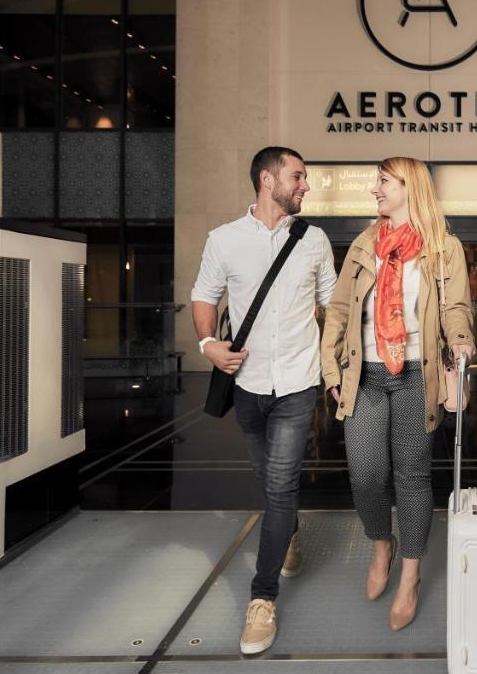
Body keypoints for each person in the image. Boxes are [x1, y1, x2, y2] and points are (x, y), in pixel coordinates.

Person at [190, 146, 337, 655]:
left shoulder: (314, 240)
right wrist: (208, 344)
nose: (305, 185)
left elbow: (332, 304)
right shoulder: (224, 239)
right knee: (268, 479)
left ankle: (262, 599)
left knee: (279, 484)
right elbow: (204, 296)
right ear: (268, 180)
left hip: (298, 381)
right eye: (298, 176)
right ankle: (288, 532)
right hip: (247, 384)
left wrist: (341, 360)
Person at [321, 157, 475, 631]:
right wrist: (330, 368)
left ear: (410, 187)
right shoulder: (364, 244)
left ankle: (410, 575)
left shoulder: (443, 248)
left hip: (416, 374)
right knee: (366, 474)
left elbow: (455, 307)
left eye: (383, 181)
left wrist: (461, 338)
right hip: (364, 373)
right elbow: (339, 310)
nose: (375, 189)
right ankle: (381, 545)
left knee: (411, 476)